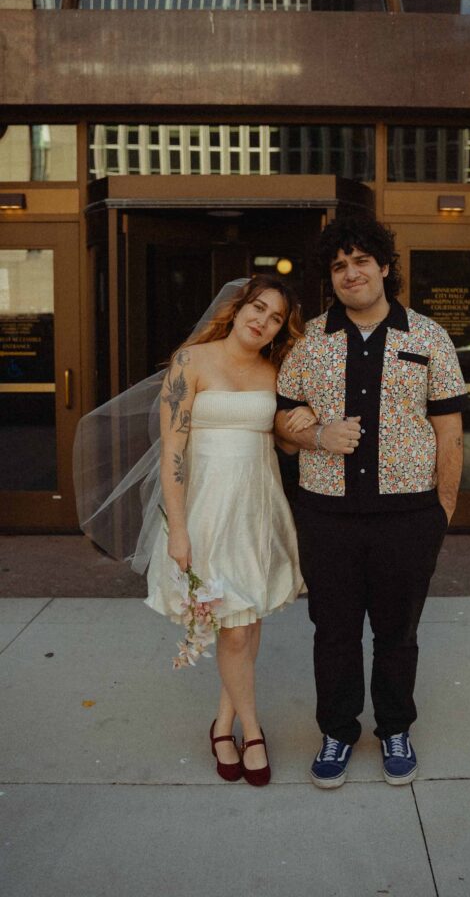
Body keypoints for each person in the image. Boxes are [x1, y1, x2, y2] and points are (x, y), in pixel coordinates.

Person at [75, 275, 314, 787]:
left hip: (257, 507)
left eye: (275, 318)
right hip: (204, 510)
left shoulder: (276, 370)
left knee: (246, 623)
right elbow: (173, 451)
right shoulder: (192, 363)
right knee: (232, 628)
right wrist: (178, 530)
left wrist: (303, 424)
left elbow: (285, 446)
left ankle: (222, 723)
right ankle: (252, 732)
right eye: (258, 308)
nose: (263, 322)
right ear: (238, 307)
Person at [275, 216, 468, 789]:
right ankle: (337, 730)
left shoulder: (429, 336)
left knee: (397, 631)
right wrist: (316, 436)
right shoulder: (309, 340)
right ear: (329, 278)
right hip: (326, 515)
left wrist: (443, 512)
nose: (351, 273)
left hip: (408, 517)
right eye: (339, 265)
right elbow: (283, 423)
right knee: (332, 631)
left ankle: (394, 728)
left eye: (361, 261)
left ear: (385, 267)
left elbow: (450, 432)